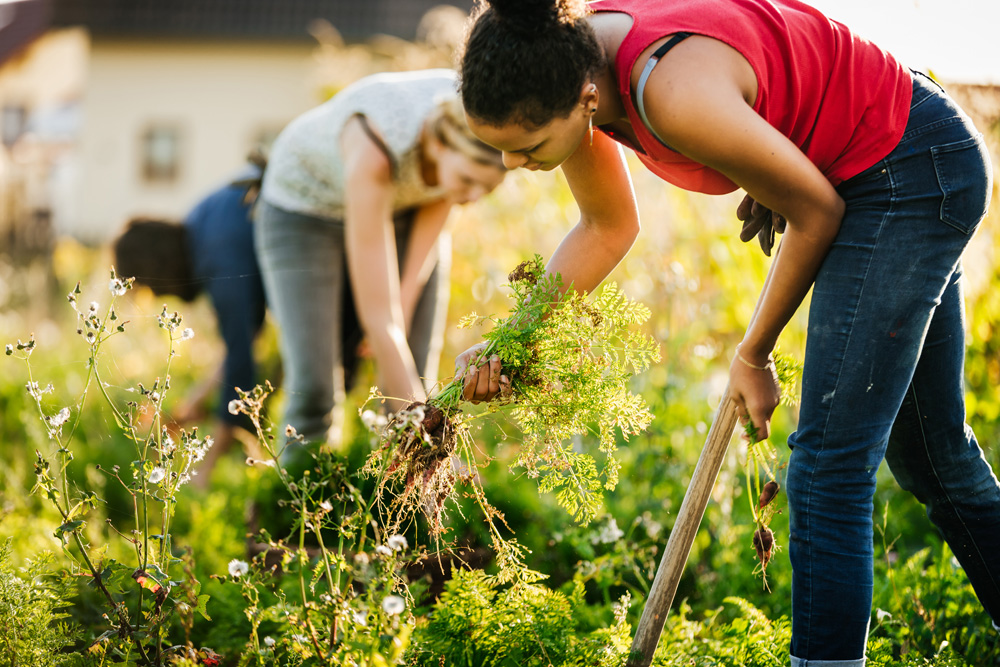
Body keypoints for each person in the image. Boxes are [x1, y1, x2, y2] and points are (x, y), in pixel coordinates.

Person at [454, 0, 998, 664]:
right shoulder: (571, 57)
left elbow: (815, 210)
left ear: (586, 98)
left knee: (827, 467)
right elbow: (606, 226)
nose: (513, 164)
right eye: (501, 147)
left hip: (907, 170)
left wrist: (753, 352)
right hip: (883, 152)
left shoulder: (669, 92)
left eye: (529, 146)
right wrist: (516, 339)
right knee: (932, 457)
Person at [254, 68, 506, 464]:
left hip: (403, 204)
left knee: (413, 367)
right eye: (469, 180)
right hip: (303, 211)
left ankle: (401, 506)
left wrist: (400, 313)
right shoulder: (376, 146)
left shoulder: (474, 130)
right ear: (439, 145)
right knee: (315, 385)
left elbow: (440, 202)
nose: (472, 198)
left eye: (488, 188)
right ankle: (299, 503)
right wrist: (424, 428)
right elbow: (379, 317)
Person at [113, 159, 267, 486]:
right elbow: (247, 336)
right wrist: (195, 401)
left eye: (150, 287)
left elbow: (242, 368)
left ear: (158, 268)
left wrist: (202, 472)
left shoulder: (218, 262)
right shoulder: (201, 220)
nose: (156, 295)